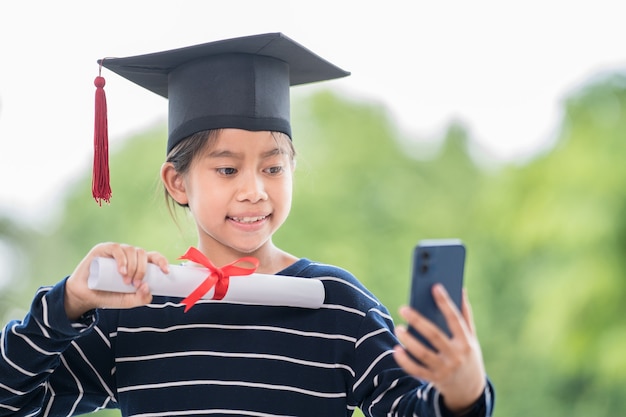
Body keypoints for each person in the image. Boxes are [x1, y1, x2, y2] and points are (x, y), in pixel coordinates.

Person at [0, 33, 494, 417]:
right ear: (177, 182)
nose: (255, 189)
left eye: (273, 167)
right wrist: (67, 304)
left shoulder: (339, 307)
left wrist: (463, 388)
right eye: (227, 169)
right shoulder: (137, 310)